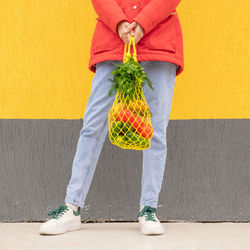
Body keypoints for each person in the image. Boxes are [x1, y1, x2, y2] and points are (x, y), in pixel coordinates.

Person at [39, 0, 184, 236]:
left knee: (155, 130)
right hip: (112, 42)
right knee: (92, 127)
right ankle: (72, 206)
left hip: (159, 43)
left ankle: (148, 208)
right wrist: (119, 23)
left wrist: (143, 23)